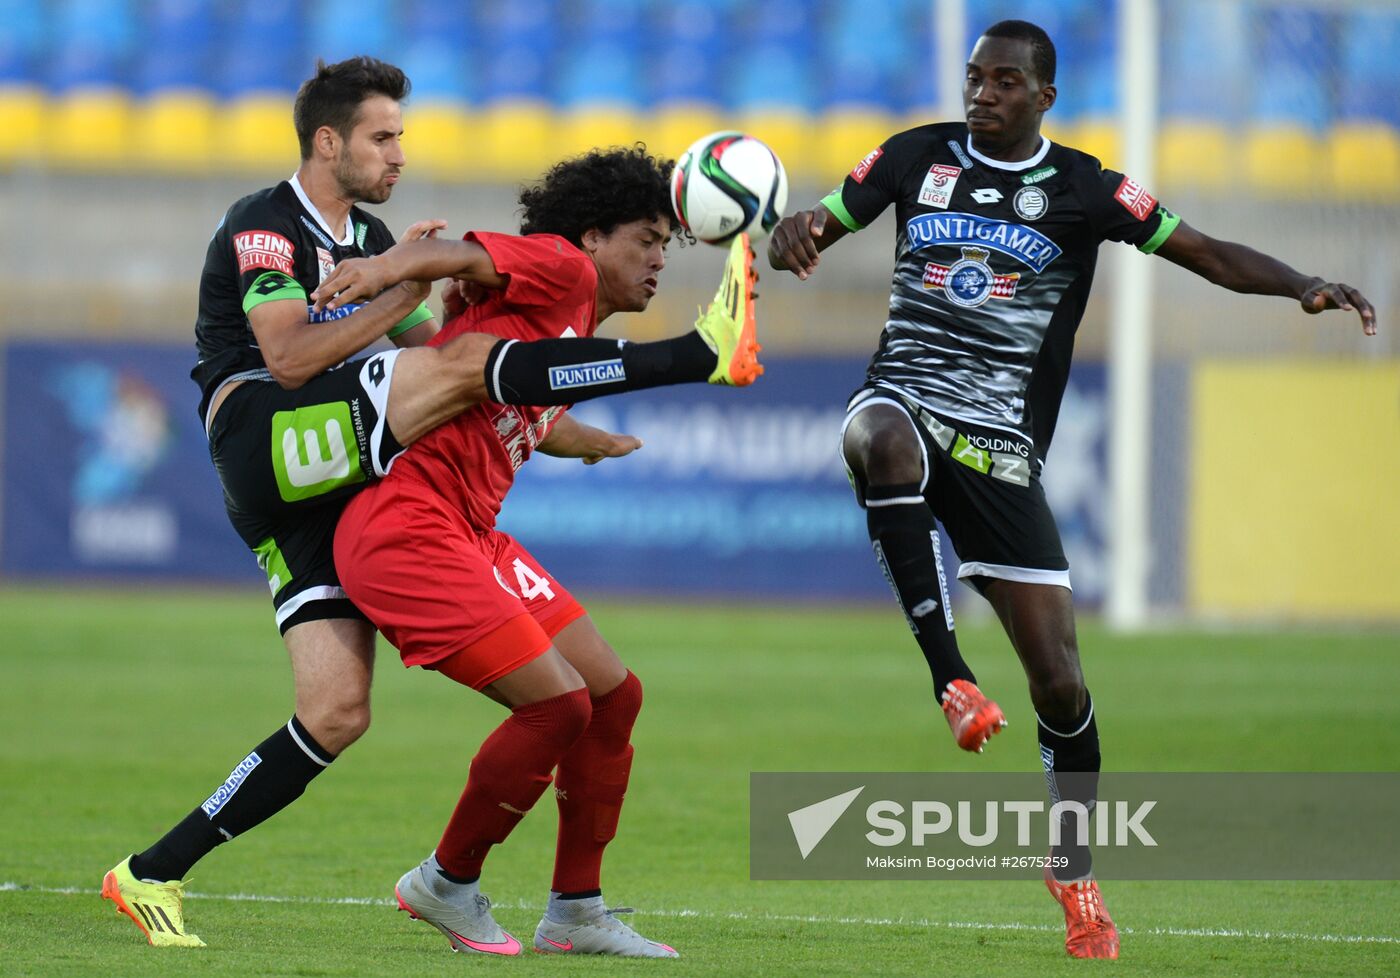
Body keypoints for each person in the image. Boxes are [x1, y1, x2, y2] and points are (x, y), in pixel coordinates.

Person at [101, 58, 760, 950]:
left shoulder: (376, 241)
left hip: (334, 496)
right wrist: (403, 278)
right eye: (384, 136)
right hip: (266, 433)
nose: (400, 153)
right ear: (328, 141)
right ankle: (694, 354)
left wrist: (575, 434)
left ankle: (151, 872)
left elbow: (456, 362)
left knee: (337, 712)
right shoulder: (267, 224)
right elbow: (294, 359)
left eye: (402, 135)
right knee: (462, 360)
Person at [767, 19, 1376, 961]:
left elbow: (1205, 252)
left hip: (1003, 449)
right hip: (907, 394)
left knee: (1061, 682)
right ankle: (951, 679)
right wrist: (794, 234)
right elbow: (811, 229)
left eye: (1005, 82)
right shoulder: (912, 158)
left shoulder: (1087, 189)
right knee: (877, 438)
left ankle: (1073, 862)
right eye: (976, 78)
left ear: (1045, 96)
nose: (983, 94)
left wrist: (1303, 284)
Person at [313, 147, 755, 958]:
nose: (660, 259)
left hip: (470, 533)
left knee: (613, 695)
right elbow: (459, 253)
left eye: (667, 244)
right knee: (558, 706)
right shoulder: (562, 269)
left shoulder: (561, 325)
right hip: (408, 525)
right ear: (591, 237)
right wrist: (382, 268)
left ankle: (577, 912)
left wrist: (589, 441)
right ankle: (445, 883)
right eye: (646, 240)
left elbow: (524, 410)